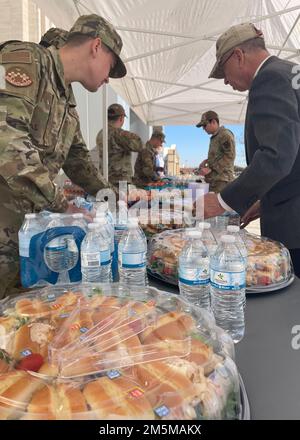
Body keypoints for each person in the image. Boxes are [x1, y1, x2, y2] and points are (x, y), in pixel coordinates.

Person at [0, 14, 126, 298]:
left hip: (25, 236)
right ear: (96, 47)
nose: (108, 77)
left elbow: (77, 158)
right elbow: (6, 139)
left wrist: (110, 196)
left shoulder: (66, 100)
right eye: (111, 66)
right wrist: (62, 204)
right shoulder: (24, 60)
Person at [201, 22, 300, 276]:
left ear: (238, 56)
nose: (225, 81)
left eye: (223, 70)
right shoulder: (290, 72)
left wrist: (223, 201)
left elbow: (276, 156)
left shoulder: (269, 78)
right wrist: (265, 199)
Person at [95, 103, 143, 186]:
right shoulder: (118, 134)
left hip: (105, 179)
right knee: (121, 199)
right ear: (121, 118)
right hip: (120, 182)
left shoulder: (100, 133)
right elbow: (139, 145)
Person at [196, 110, 235, 193]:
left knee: (218, 205)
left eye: (204, 125)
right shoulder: (216, 137)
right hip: (215, 181)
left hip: (222, 182)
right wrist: (206, 161)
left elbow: (230, 156)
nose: (203, 129)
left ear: (213, 122)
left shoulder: (225, 135)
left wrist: (210, 168)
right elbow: (219, 155)